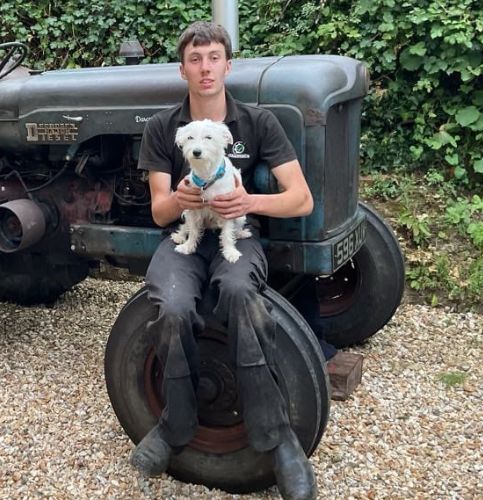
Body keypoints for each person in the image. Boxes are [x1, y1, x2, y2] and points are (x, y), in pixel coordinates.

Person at [130, 21, 318, 500]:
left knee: (239, 292)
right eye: (196, 59)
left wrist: (249, 202)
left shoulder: (257, 122)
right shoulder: (161, 128)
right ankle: (174, 426)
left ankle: (278, 442)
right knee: (171, 306)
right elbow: (158, 212)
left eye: (214, 57)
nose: (205, 67)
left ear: (228, 65)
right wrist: (180, 199)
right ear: (183, 69)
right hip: (187, 235)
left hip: (238, 232)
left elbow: (301, 200)